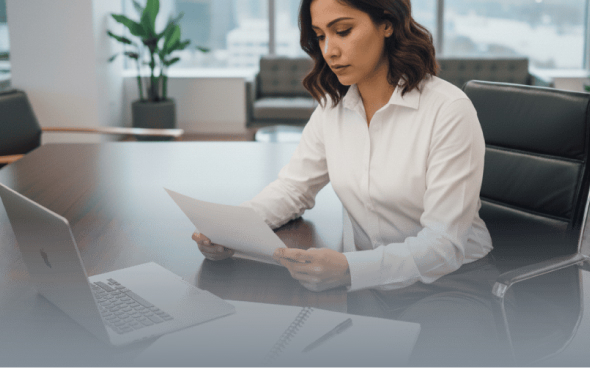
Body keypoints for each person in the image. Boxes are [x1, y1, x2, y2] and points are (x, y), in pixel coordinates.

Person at [193, 0, 492, 292]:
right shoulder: (332, 109)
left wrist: (351, 270)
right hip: (365, 282)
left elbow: (443, 245)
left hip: (450, 282)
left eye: (343, 31)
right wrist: (230, 230)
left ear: (387, 24)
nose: (329, 51)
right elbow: (293, 189)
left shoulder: (448, 110)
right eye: (321, 36)